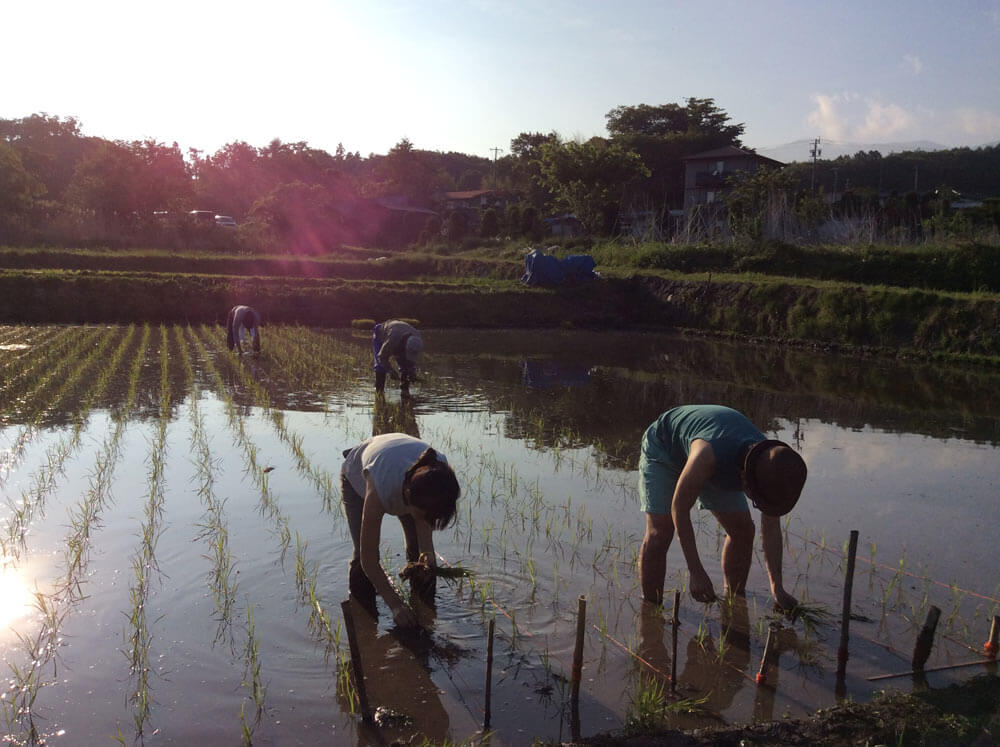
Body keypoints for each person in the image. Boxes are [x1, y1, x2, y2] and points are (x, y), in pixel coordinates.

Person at [637, 404, 807, 611]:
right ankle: (651, 610)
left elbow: (771, 527)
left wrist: (777, 587)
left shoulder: (773, 466)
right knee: (659, 532)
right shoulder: (708, 455)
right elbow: (679, 509)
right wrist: (696, 571)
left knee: (742, 530)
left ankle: (733, 603)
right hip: (665, 447)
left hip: (721, 458)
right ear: (745, 480)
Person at [340, 433, 460, 627]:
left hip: (405, 471)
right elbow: (368, 559)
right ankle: (364, 618)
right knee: (360, 560)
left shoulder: (439, 476)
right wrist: (396, 605)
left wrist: (428, 559)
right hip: (359, 477)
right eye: (423, 515)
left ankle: (424, 611)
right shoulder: (381, 488)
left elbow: (425, 545)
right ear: (407, 499)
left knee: (420, 554)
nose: (425, 521)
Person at [372, 320, 423, 391]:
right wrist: (391, 371)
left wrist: (412, 373)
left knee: (406, 365)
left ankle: (405, 390)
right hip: (381, 333)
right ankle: (379, 392)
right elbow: (381, 357)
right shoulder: (392, 340)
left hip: (400, 335)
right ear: (405, 346)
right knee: (380, 367)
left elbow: (410, 361)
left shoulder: (417, 337)